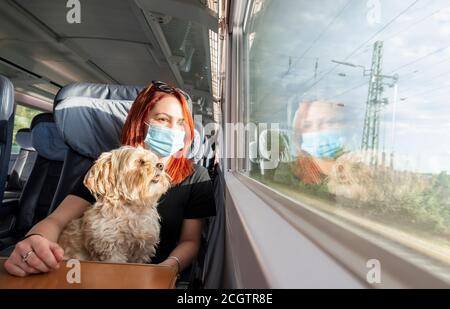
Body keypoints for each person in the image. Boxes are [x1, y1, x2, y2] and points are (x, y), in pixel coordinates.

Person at [4, 81, 216, 277]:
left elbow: (190, 241)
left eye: (181, 122)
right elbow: (57, 220)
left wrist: (164, 269)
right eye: (162, 119)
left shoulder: (197, 177)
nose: (173, 129)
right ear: (141, 122)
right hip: (88, 272)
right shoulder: (110, 169)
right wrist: (35, 240)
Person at [291, 100, 347, 185]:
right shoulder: (294, 172)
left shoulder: (357, 166)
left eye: (327, 122)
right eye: (307, 125)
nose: (315, 131)